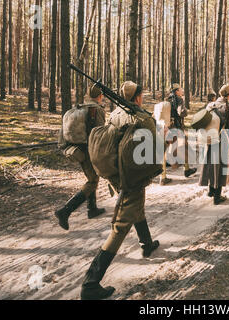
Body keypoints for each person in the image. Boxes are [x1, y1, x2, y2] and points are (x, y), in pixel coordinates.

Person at [80, 81, 160, 300]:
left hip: (117, 173)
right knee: (120, 226)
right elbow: (152, 146)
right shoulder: (141, 118)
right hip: (131, 178)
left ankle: (147, 244)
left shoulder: (116, 113)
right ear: (137, 97)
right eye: (142, 95)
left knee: (136, 208)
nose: (143, 98)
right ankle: (91, 283)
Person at [55, 85, 106, 231]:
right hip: (89, 149)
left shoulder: (78, 108)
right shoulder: (97, 110)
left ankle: (92, 208)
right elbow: (100, 133)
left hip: (77, 149)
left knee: (92, 177)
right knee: (92, 181)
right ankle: (65, 211)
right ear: (100, 96)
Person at [199, 84, 229, 205]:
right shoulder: (228, 107)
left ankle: (210, 190)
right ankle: (217, 196)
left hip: (210, 138)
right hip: (222, 137)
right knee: (221, 166)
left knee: (211, 164)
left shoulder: (210, 105)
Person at [162, 83, 197, 185]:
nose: (182, 91)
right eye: (180, 89)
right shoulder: (179, 99)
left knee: (165, 150)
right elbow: (181, 112)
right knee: (185, 147)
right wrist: (185, 110)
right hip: (176, 128)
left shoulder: (166, 100)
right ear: (176, 91)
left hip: (167, 128)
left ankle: (163, 177)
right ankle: (186, 170)